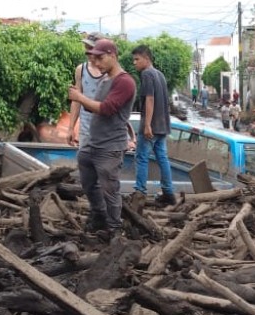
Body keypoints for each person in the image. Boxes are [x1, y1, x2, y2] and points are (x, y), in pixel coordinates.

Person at [68, 38, 136, 236]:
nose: (96, 63)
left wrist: (79, 98)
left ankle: (115, 229)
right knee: (88, 179)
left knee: (110, 189)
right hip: (93, 142)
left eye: (100, 58)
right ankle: (99, 215)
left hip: (110, 146)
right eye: (93, 58)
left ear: (112, 55)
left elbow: (107, 109)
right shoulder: (106, 79)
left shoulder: (125, 82)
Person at [132, 44, 175, 206]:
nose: (134, 63)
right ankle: (169, 193)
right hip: (163, 125)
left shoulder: (147, 74)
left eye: (137, 59)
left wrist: (147, 125)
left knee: (141, 157)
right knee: (162, 158)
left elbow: (149, 99)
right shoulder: (160, 75)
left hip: (151, 125)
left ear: (146, 58)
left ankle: (140, 192)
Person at [67, 32, 105, 147]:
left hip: (106, 132)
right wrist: (71, 128)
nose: (88, 51)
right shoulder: (81, 70)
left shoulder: (109, 72)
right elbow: (76, 100)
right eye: (86, 47)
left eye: (91, 48)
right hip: (85, 130)